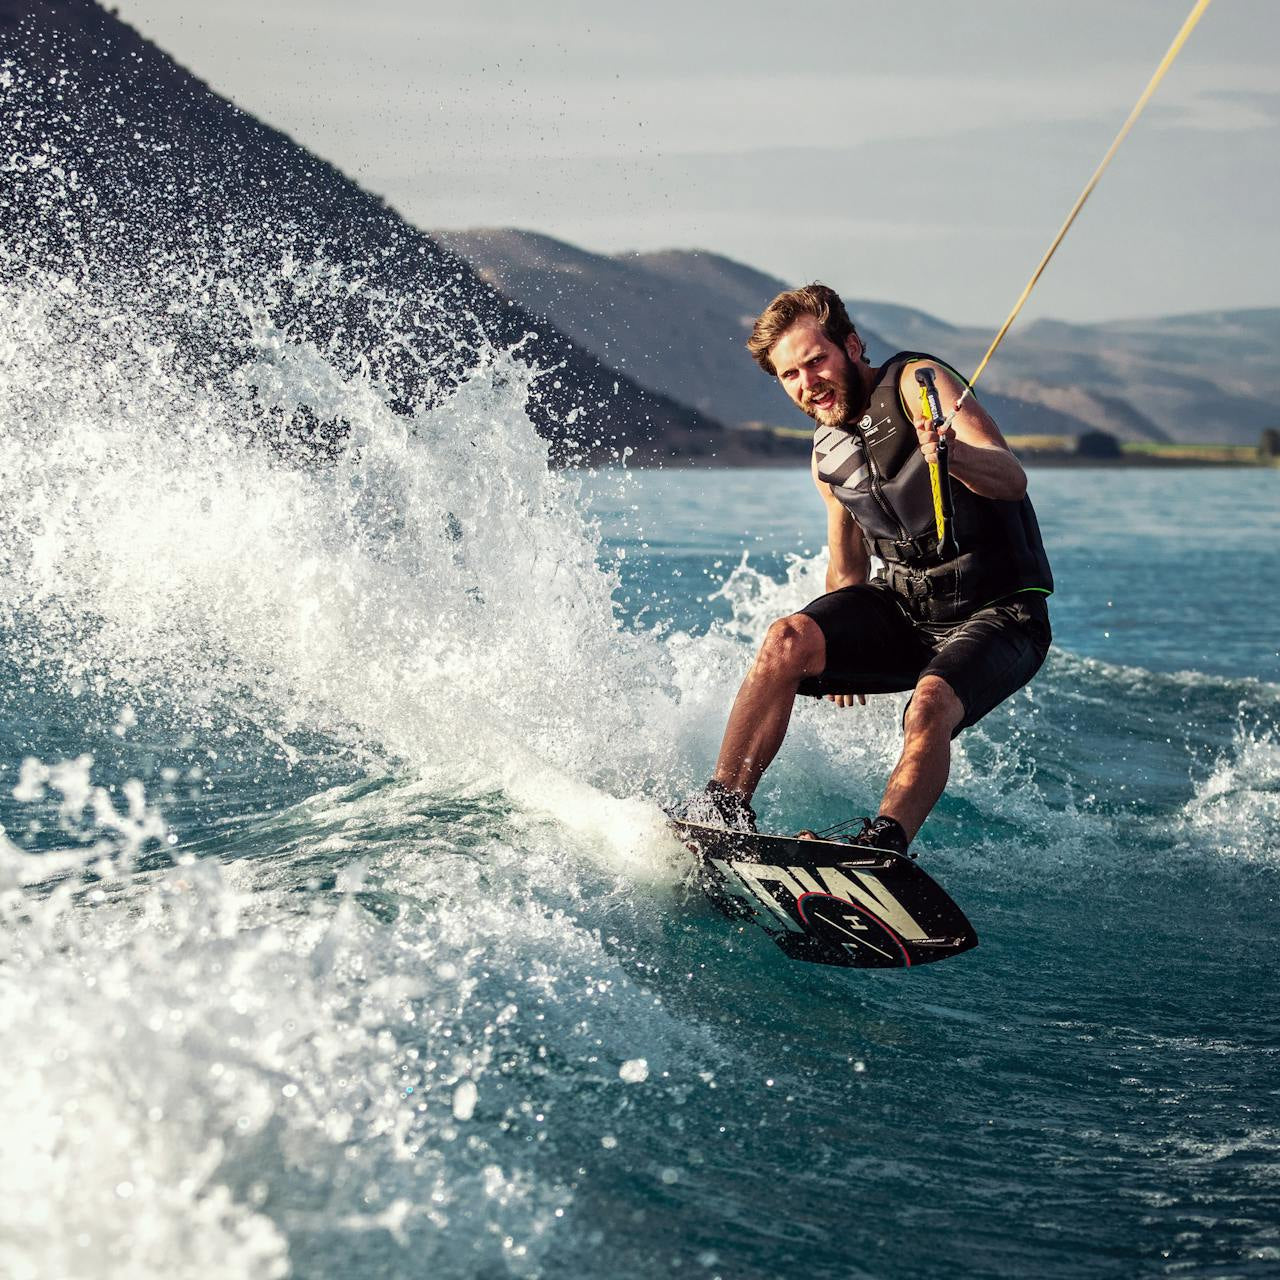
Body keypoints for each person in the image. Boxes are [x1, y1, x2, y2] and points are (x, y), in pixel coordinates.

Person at [691, 283, 1053, 854]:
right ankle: (722, 810)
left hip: (1000, 612)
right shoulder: (826, 455)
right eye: (791, 375)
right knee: (786, 640)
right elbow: (847, 564)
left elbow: (1012, 477)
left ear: (852, 346)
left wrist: (953, 454)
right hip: (908, 611)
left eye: (817, 361)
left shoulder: (919, 383)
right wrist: (833, 640)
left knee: (929, 705)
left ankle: (883, 849)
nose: (809, 383)